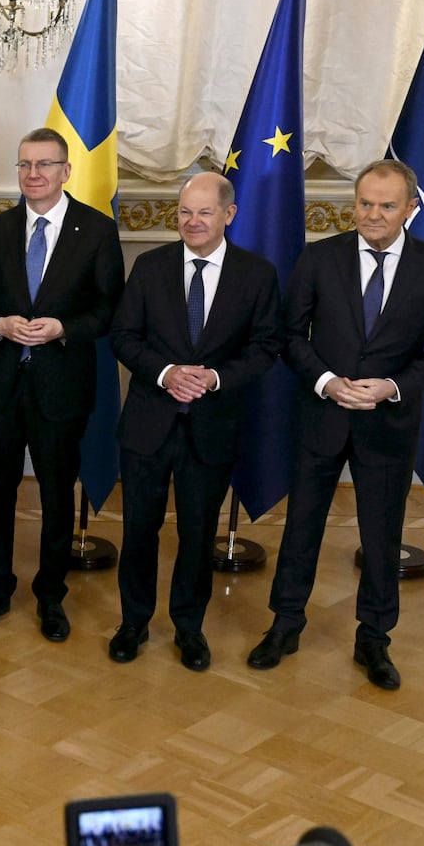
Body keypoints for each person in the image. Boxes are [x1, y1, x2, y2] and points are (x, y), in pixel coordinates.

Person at [248, 158, 424, 689]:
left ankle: (374, 638)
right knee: (302, 526)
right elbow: (289, 335)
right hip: (321, 415)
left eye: (386, 206)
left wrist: (392, 387)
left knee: (382, 534)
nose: (372, 214)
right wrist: (326, 380)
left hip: (387, 422)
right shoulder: (320, 258)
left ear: (409, 210)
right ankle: (286, 623)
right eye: (364, 203)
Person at [108, 173, 281, 670]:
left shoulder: (256, 275)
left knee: (197, 533)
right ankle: (133, 622)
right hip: (147, 424)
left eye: (204, 212)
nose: (193, 222)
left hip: (211, 427)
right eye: (185, 212)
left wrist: (214, 378)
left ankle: (188, 627)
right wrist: (166, 373)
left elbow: (266, 347)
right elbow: (123, 336)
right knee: (139, 528)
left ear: (228, 215)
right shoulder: (148, 266)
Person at [0, 126, 124, 642]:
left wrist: (63, 329)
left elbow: (109, 309)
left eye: (45, 165)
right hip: (2, 386)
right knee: (0, 493)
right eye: (25, 165)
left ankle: (51, 596)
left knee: (57, 494)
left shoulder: (96, 230)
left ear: (66, 171)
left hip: (62, 385)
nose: (33, 175)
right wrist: (0, 325)